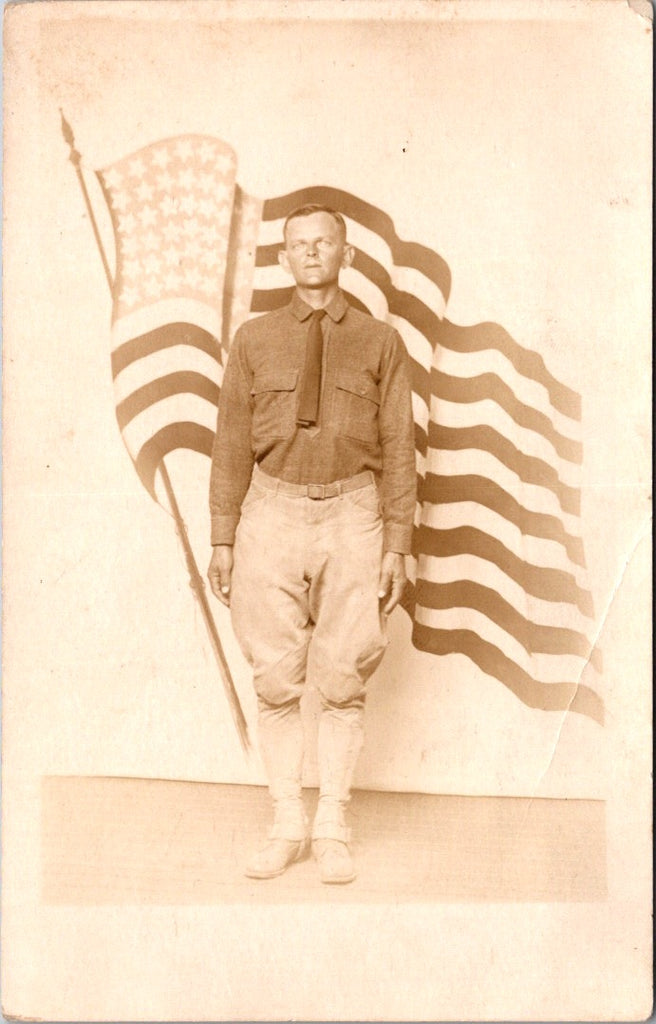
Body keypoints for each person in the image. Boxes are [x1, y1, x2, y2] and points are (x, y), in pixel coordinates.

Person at [207, 204, 416, 884]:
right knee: (275, 678)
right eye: (299, 244)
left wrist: (395, 540)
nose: (312, 253)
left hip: (355, 511)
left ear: (345, 255)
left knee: (343, 675)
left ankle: (332, 824)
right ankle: (286, 822)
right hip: (269, 511)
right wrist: (223, 538)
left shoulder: (381, 342)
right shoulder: (253, 339)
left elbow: (400, 448)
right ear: (284, 258)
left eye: (324, 243)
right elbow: (231, 444)